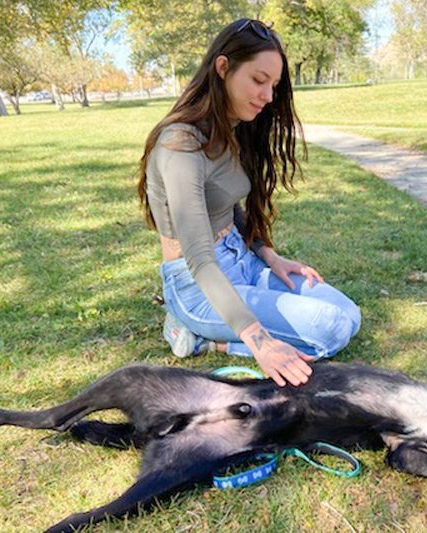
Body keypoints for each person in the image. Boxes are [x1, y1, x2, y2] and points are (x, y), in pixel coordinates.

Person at [137, 19, 361, 387]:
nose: (269, 96)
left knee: (349, 314)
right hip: (199, 285)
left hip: (243, 262)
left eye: (273, 85)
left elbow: (229, 207)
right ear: (223, 68)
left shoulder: (231, 129)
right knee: (331, 329)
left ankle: (222, 330)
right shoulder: (180, 145)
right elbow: (199, 261)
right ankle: (201, 337)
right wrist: (260, 344)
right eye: (259, 81)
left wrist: (269, 255)